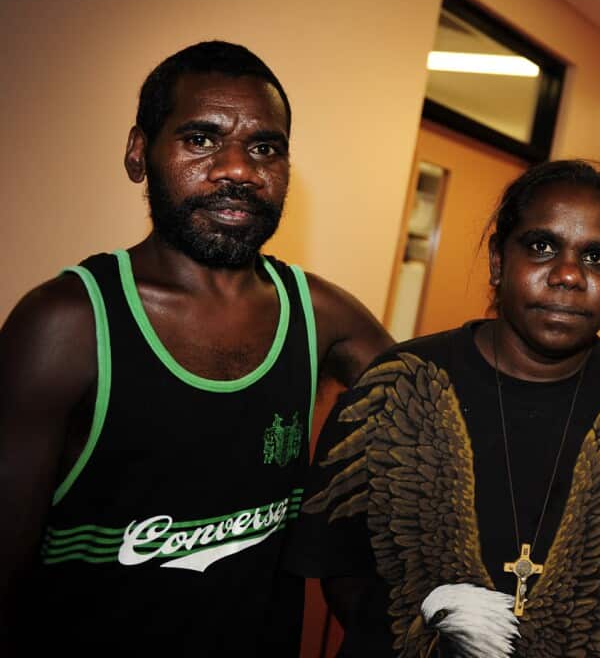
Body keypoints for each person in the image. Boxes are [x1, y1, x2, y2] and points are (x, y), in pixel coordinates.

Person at [0, 41, 393, 655]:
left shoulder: (321, 315)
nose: (238, 169)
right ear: (139, 153)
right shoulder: (66, 324)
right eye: (202, 140)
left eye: (264, 148)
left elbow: (446, 412)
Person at [289, 160, 600, 657]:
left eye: (597, 258)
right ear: (497, 261)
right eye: (542, 247)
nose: (569, 275)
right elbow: (344, 574)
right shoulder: (396, 385)